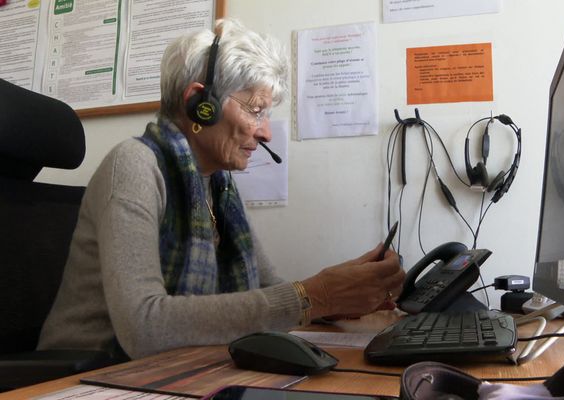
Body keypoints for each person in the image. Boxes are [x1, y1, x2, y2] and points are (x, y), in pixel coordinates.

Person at [37, 19, 405, 360]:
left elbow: (274, 291)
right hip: (88, 371)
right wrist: (316, 295)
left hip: (179, 366)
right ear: (200, 104)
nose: (265, 133)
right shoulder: (134, 165)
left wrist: (345, 296)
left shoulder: (218, 185)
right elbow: (143, 325)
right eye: (255, 109)